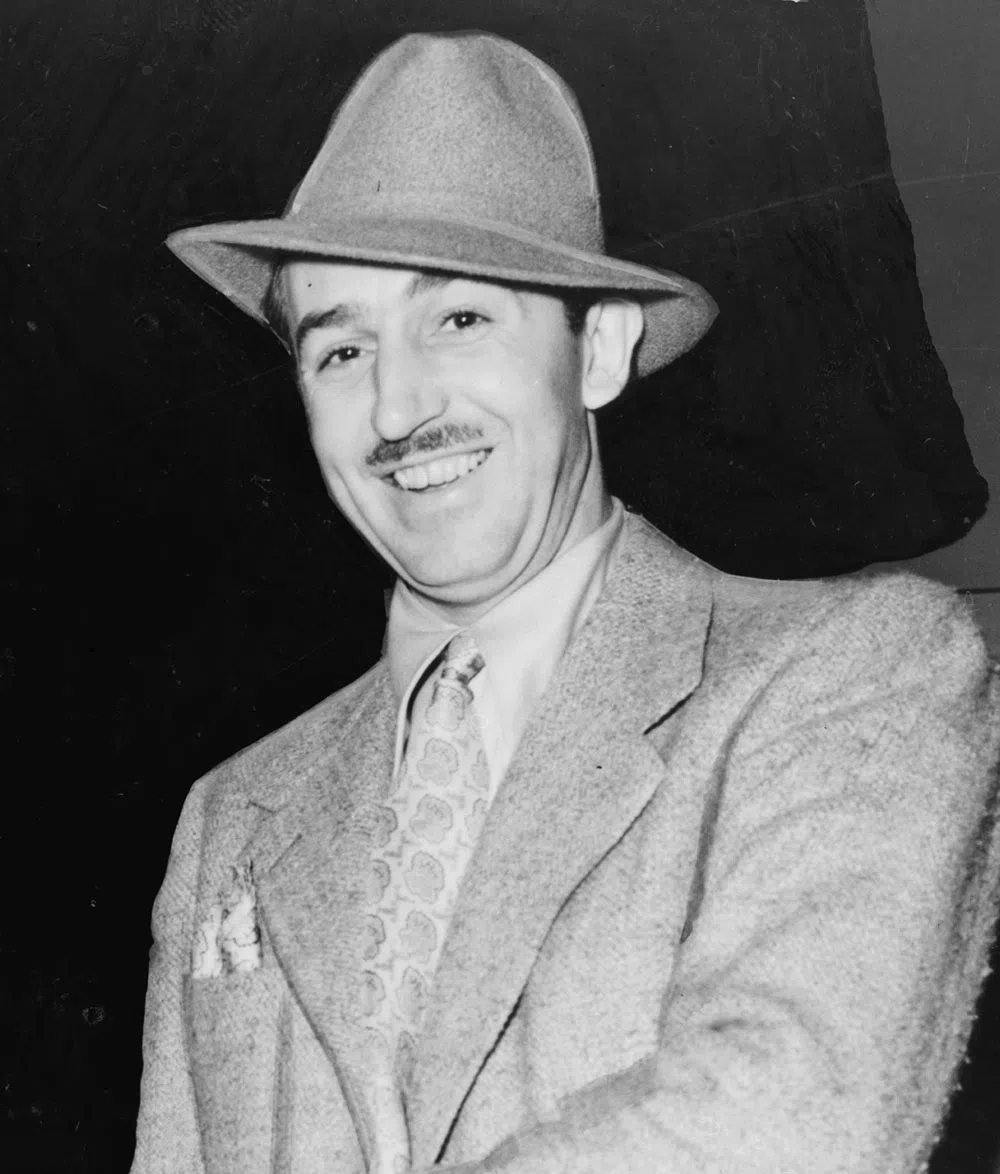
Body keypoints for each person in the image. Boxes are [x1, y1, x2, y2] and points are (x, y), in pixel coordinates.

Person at [131, 31, 1000, 1174]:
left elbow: (785, 1120)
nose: (395, 409)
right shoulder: (233, 815)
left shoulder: (848, 671)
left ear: (599, 352)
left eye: (459, 320)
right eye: (340, 353)